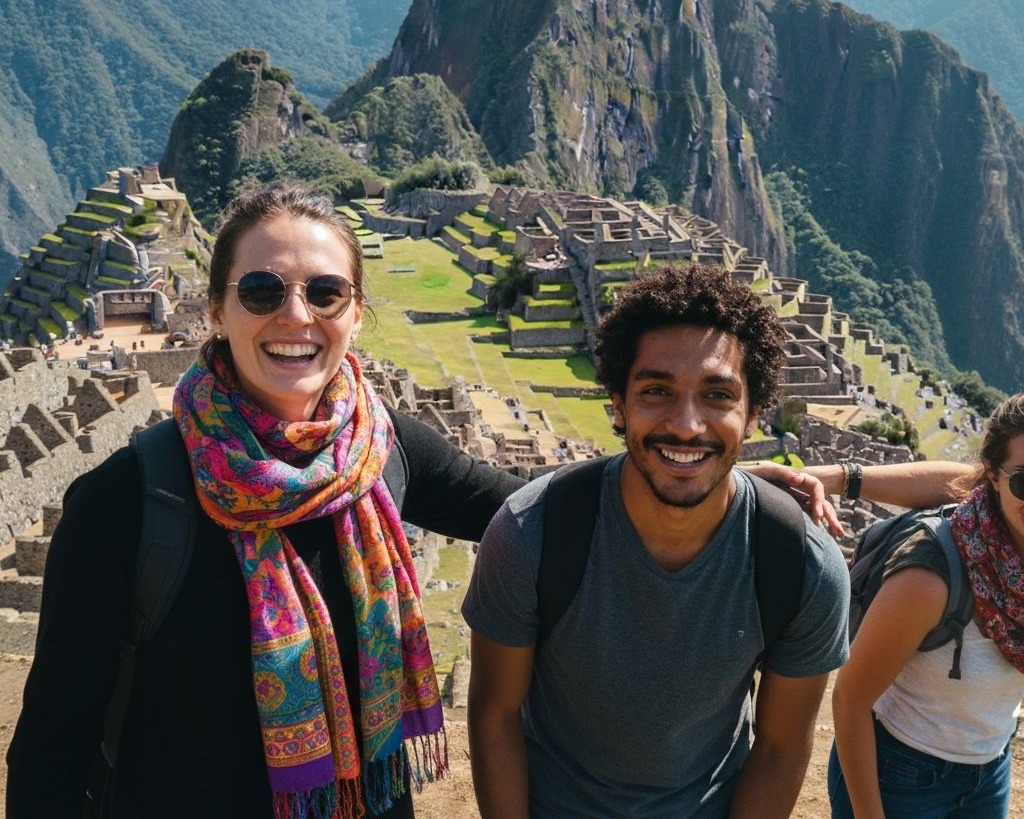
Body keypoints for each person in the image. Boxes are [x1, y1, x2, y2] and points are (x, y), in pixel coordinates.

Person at [6, 182, 526, 819]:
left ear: (356, 313)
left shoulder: (384, 450)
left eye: (326, 292)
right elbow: (51, 751)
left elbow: (532, 510)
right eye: (262, 290)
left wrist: (669, 462)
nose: (297, 316)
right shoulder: (129, 499)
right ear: (216, 311)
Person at [462, 263, 852, 819]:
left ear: (754, 413)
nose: (687, 424)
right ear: (618, 405)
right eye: (656, 391)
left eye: (718, 395)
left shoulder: (801, 566)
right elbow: (495, 713)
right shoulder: (534, 533)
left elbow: (782, 746)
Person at [828, 393, 1024, 819]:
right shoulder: (930, 576)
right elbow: (849, 700)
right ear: (992, 476)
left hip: (989, 770)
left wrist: (841, 476)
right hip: (900, 776)